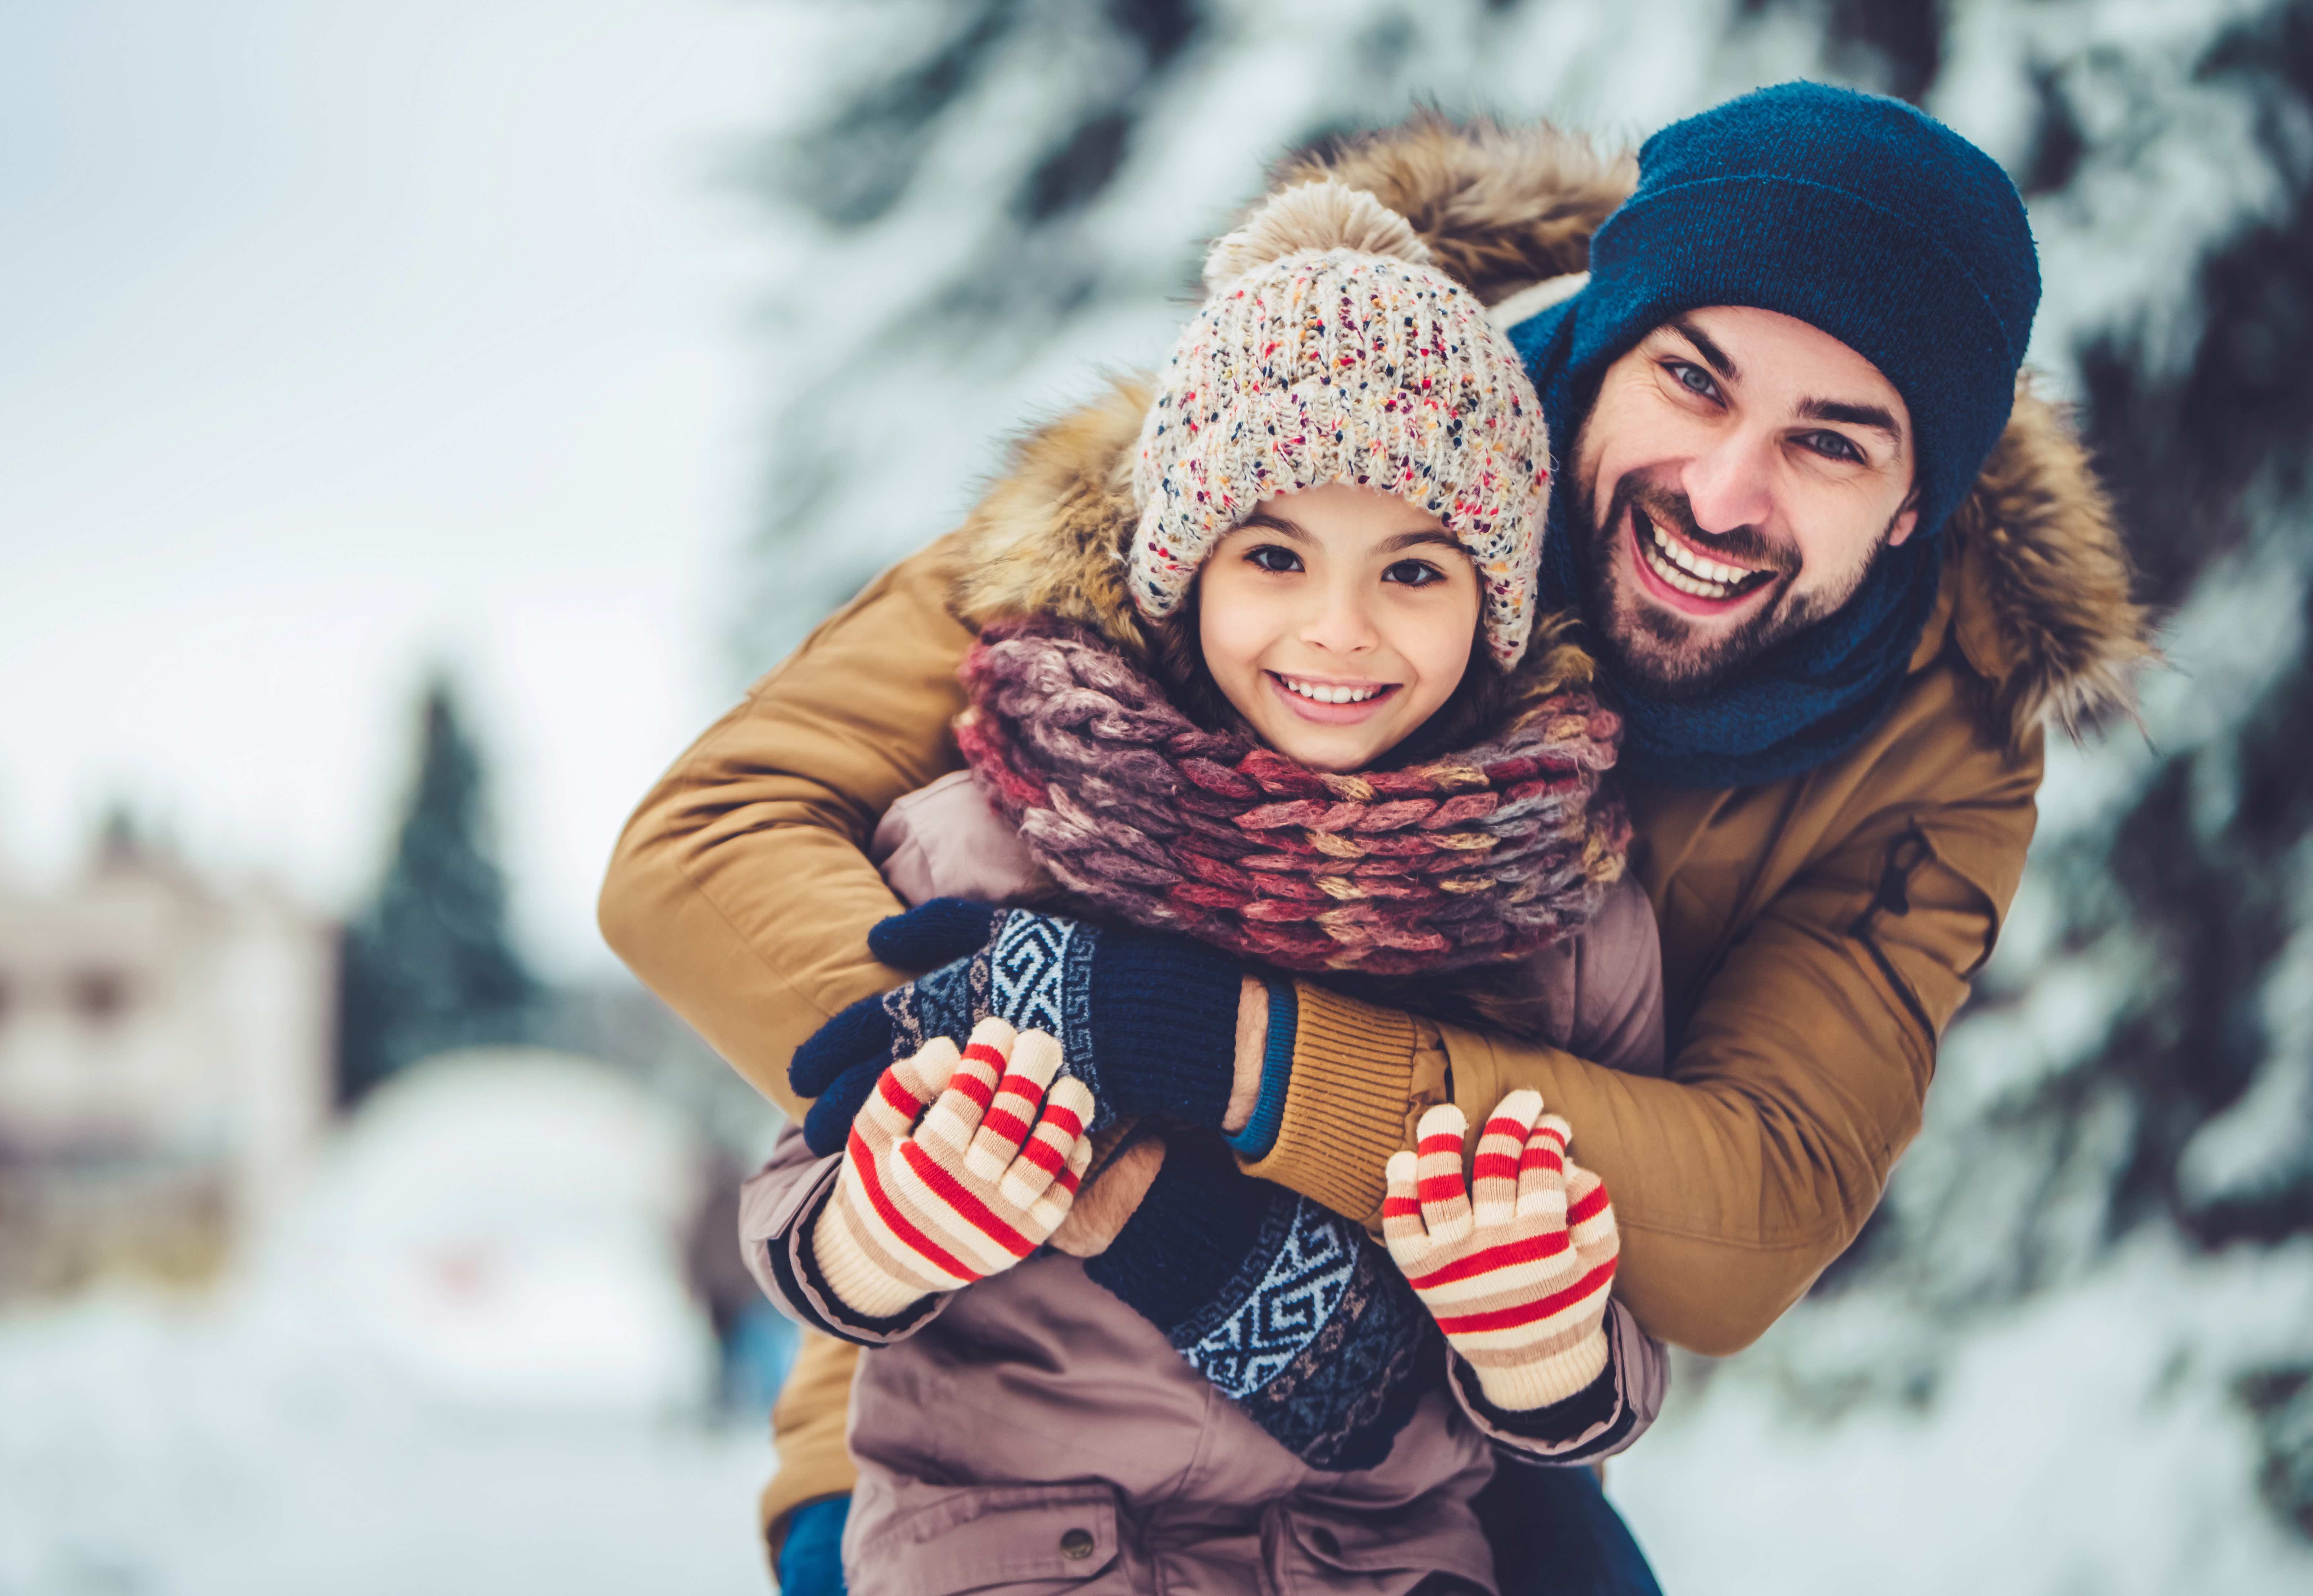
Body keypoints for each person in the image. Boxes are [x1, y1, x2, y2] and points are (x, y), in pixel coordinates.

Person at [600, 83, 2150, 1592]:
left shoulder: (1932, 747)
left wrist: (1231, 1052)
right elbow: (703, 849)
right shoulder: (1293, 434)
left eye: (1832, 443)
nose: (1724, 489)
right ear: (1606, 346)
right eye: (1692, 379)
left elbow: (1747, 1208)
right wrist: (1104, 1163)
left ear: (1909, 508)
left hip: (1431, 1427)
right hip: (998, 1404)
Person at [736, 178, 1670, 1594]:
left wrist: (1539, 1345)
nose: (1337, 629)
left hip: (1374, 1560)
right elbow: (806, 1189)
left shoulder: (1564, 917)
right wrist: (884, 1231)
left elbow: (1607, 1350)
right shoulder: (991, 844)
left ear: (1492, 600)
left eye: (1413, 568)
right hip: (1009, 1548)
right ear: (1182, 570)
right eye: (1275, 554)